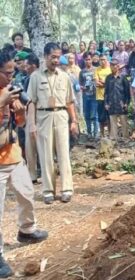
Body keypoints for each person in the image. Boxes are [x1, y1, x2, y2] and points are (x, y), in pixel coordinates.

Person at [0, 51, 48, 278]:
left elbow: (18, 121)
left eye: (12, 72)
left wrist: (19, 113)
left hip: (13, 154)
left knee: (27, 193)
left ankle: (27, 230)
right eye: (7, 73)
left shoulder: (12, 91)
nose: (11, 77)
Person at [27, 42, 78, 204]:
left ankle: (66, 189)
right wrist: (32, 124)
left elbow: (70, 101)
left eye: (58, 57)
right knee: (45, 153)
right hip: (44, 117)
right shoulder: (35, 77)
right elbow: (31, 102)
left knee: (63, 153)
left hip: (62, 116)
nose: (56, 60)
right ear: (45, 57)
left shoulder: (64, 77)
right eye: (53, 57)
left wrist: (74, 121)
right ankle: (48, 190)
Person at [23, 54, 40, 183]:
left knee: (38, 146)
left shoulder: (38, 78)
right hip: (29, 115)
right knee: (30, 147)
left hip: (38, 115)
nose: (25, 67)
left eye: (27, 64)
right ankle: (32, 174)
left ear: (33, 65)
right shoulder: (27, 79)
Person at [104, 59, 130, 139]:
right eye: (111, 65)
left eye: (115, 65)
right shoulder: (108, 78)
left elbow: (127, 92)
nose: (113, 67)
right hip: (111, 103)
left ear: (118, 66)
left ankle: (126, 140)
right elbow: (106, 92)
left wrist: (126, 103)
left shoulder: (123, 78)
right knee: (113, 122)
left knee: (124, 122)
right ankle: (114, 139)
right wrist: (106, 103)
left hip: (121, 103)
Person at [79, 52, 98, 139]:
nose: (88, 61)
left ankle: (96, 133)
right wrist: (82, 87)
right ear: (84, 60)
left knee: (94, 115)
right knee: (87, 115)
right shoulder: (82, 71)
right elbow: (80, 84)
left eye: (89, 59)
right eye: (86, 60)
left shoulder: (96, 69)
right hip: (85, 95)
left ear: (92, 59)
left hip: (94, 95)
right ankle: (89, 133)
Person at [95, 54, 112, 138]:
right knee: (101, 118)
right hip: (100, 97)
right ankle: (102, 135)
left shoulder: (110, 70)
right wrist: (105, 82)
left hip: (109, 97)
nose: (102, 61)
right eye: (101, 59)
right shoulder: (97, 70)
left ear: (107, 60)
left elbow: (111, 83)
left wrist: (104, 82)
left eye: (104, 59)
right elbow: (97, 83)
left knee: (109, 117)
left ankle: (110, 135)